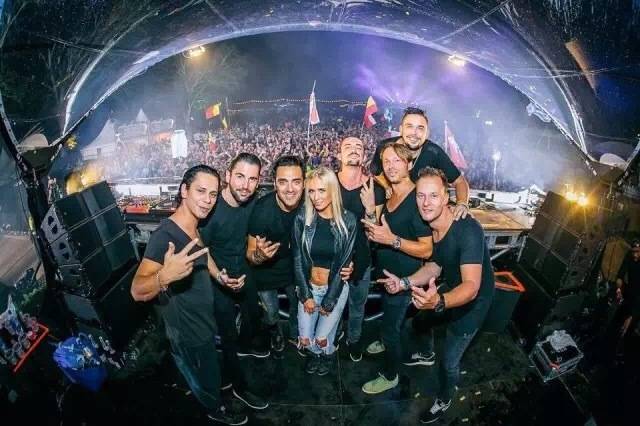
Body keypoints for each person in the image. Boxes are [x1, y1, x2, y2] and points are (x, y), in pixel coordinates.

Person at [131, 165, 247, 425]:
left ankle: (211, 389)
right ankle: (214, 408)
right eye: (201, 191)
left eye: (213, 194)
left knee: (209, 367)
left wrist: (220, 277)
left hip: (202, 321)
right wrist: (164, 276)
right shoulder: (165, 237)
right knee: (203, 376)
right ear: (184, 190)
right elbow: (137, 291)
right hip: (188, 331)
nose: (208, 200)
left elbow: (203, 254)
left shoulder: (194, 226)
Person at [379, 167, 495, 424]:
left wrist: (439, 301)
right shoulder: (430, 226)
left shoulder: (468, 229)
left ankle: (445, 397)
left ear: (446, 197)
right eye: (421, 196)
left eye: (433, 196)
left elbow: (471, 286)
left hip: (474, 303)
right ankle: (426, 353)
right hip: (450, 288)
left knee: (449, 361)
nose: (426, 203)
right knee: (417, 323)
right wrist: (404, 283)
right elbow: (434, 266)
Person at [361, 143, 433, 395]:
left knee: (392, 330)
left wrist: (393, 240)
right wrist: (370, 209)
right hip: (386, 275)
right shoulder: (392, 194)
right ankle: (383, 340)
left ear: (409, 164)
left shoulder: (416, 200)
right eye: (386, 161)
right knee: (388, 319)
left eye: (397, 161)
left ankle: (391, 375)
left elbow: (427, 249)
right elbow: (376, 233)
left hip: (404, 279)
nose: (390, 166)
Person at [199, 153, 269, 411]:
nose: (245, 185)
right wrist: (220, 277)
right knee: (227, 333)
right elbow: (201, 249)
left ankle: (245, 344)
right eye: (240, 176)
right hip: (218, 278)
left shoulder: (254, 202)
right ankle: (238, 386)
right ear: (227, 176)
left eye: (252, 179)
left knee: (255, 315)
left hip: (245, 270)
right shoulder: (211, 209)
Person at [292, 166, 357, 375]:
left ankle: (327, 355)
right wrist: (305, 295)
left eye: (321, 190)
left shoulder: (348, 220)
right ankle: (315, 355)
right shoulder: (302, 217)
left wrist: (329, 301)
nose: (316, 197)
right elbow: (297, 259)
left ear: (332, 190)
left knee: (322, 337)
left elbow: (344, 264)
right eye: (311, 191)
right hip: (309, 287)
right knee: (305, 337)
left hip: (335, 290)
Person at [246, 156, 305, 354]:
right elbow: (250, 254)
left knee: (299, 306)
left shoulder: (310, 204)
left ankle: (296, 335)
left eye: (296, 182)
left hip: (294, 267)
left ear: (304, 183)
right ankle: (275, 332)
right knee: (271, 313)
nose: (290, 189)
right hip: (266, 271)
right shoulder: (262, 210)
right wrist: (260, 256)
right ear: (274, 183)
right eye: (283, 182)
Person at [370, 107, 470, 220]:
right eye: (409, 126)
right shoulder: (385, 147)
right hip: (388, 209)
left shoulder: (434, 152)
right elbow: (375, 172)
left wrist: (462, 204)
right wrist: (387, 186)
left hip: (418, 214)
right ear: (401, 129)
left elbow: (460, 181)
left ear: (427, 133)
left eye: (420, 128)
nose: (414, 133)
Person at [336, 136, 386, 362]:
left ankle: (354, 340)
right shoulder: (328, 183)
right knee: (331, 303)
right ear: (339, 155)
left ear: (364, 156)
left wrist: (370, 210)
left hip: (361, 259)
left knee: (357, 305)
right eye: (348, 146)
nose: (354, 150)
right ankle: (334, 333)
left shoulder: (375, 189)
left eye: (359, 147)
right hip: (332, 259)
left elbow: (375, 232)